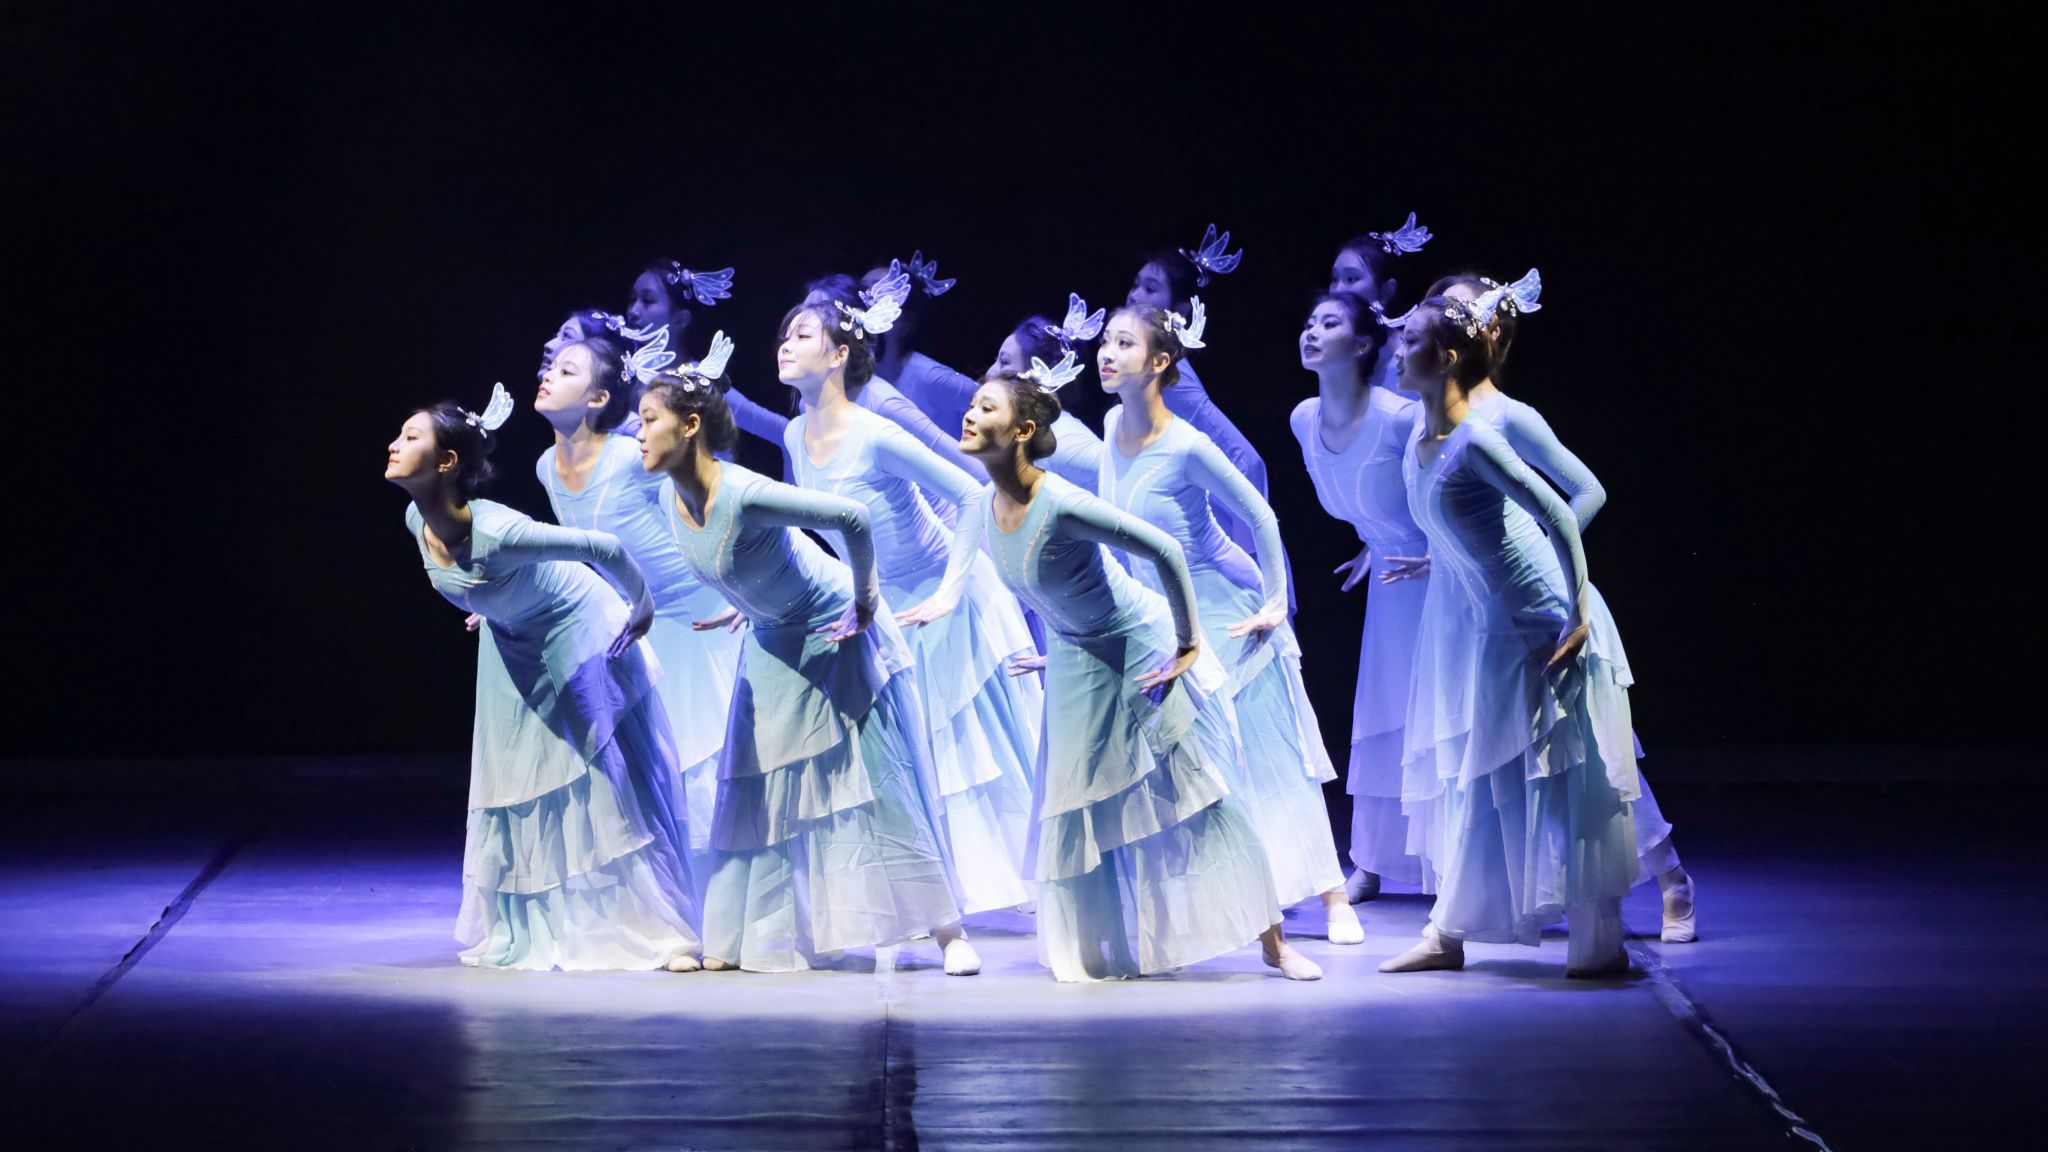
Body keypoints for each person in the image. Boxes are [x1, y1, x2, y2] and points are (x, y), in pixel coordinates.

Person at [900, 365, 1321, 982]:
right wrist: (1041, 638)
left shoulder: (1062, 503)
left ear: (1022, 431)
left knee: (1199, 794)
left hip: (1138, 648)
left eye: (987, 408)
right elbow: (1040, 587)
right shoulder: (985, 506)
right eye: (972, 404)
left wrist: (1187, 644)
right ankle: (1096, 947)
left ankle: (1274, 945)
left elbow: (1165, 551)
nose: (969, 415)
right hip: (1078, 659)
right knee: (1078, 803)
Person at [636, 354, 976, 975]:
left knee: (877, 779)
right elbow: (738, 557)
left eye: (649, 419)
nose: (638, 433)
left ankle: (948, 932)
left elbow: (852, 518)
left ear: (689, 425)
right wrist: (745, 600)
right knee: (758, 781)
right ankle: (747, 937)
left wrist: (866, 600)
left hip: (832, 627)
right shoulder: (668, 497)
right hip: (772, 635)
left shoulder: (745, 490)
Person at [1418, 271, 1696, 943]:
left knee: (1582, 753)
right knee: (1492, 757)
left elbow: (1585, 491)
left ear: (1484, 332)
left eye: (1456, 311)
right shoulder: (1435, 418)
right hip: (1468, 607)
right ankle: (1481, 908)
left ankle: (1668, 877)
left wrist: (1535, 554)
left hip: (1532, 602)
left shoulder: (1507, 417)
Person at [385, 387, 701, 972]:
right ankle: (533, 924)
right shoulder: (414, 518)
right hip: (512, 636)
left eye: (410, 437)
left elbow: (603, 547)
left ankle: (657, 932)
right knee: (518, 776)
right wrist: (488, 602)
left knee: (594, 772)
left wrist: (642, 608)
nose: (393, 445)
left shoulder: (502, 531)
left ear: (446, 462)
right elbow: (471, 579)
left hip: (575, 621)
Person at [1378, 291, 1639, 978]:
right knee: (1483, 773)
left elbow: (1560, 513)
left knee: (1564, 775)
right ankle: (1448, 933)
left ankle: (1597, 946)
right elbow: (1467, 523)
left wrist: (1578, 616)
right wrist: (1440, 558)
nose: (1397, 351)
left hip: (1538, 618)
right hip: (1490, 622)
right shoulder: (1422, 438)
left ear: (1448, 357)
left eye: (1410, 340)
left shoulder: (1478, 438)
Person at [1095, 303, 1360, 944]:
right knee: (1197, 761)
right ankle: (1235, 898)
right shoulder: (1109, 425)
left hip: (1226, 609)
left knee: (1269, 752)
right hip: (1164, 614)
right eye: (1105, 340)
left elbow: (1261, 516)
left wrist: (1274, 601)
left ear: (1159, 362)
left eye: (1124, 343)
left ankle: (1332, 898)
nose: (1106, 352)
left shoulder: (1187, 444)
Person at [780, 298, 1040, 914]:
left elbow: (971, 493)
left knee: (967, 752)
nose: (785, 343)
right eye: (785, 334)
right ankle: (928, 892)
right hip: (882, 604)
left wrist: (948, 592)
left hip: (944, 594)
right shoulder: (795, 433)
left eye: (804, 334)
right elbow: (812, 523)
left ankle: (1016, 882)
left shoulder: (874, 430)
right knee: (906, 752)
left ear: (839, 355)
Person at [532, 333, 746, 892]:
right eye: (551, 367)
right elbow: (579, 553)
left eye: (568, 371)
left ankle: (725, 894)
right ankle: (677, 897)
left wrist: (740, 588)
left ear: (599, 398)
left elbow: (706, 506)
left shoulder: (630, 458)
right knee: (659, 763)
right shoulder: (546, 467)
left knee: (705, 759)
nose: (549, 375)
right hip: (643, 623)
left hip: (700, 612)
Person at [1290, 291, 1432, 903]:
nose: (1312, 332)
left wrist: (1423, 544)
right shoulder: (1303, 418)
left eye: (1330, 323)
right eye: (1309, 322)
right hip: (1390, 585)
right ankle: (1372, 859)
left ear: (1365, 343)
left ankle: (1453, 862)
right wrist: (1377, 539)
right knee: (1384, 715)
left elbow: (1451, 489)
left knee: (1437, 716)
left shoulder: (1399, 417)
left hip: (1438, 579)